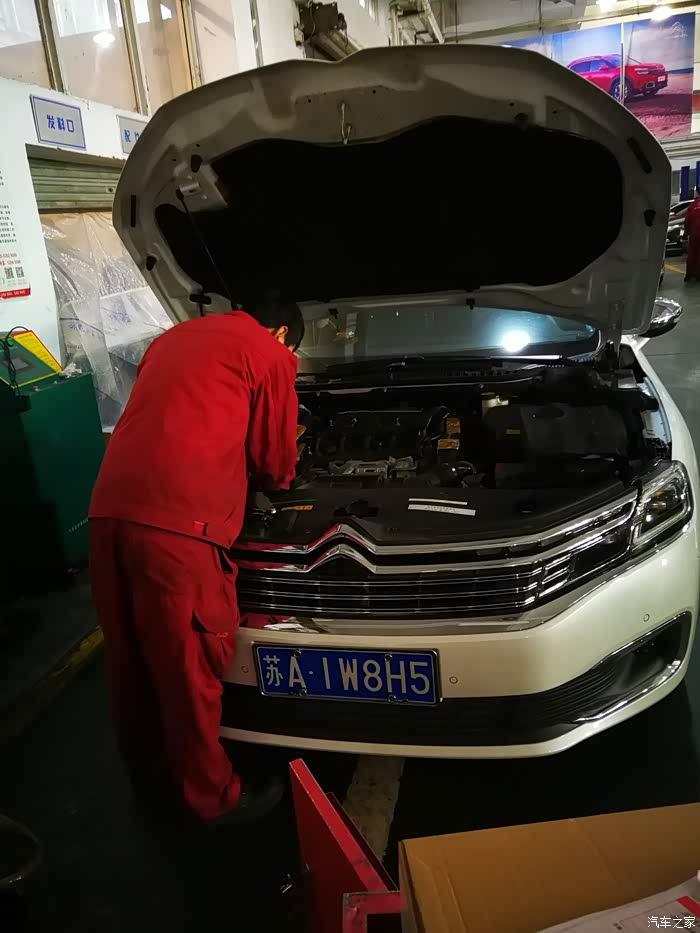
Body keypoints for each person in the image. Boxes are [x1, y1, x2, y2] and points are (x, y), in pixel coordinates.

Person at [88, 293, 304, 825]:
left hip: (109, 510)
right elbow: (273, 461)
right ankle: (209, 797)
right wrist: (281, 482)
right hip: (180, 525)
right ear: (282, 334)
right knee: (187, 665)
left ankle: (149, 778)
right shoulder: (268, 354)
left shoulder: (171, 339)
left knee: (132, 658)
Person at [684, 186, 700, 282]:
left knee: (692, 253)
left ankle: (689, 274)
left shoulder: (693, 205)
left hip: (694, 233)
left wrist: (686, 232)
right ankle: (698, 275)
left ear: (698, 193)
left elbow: (687, 220)